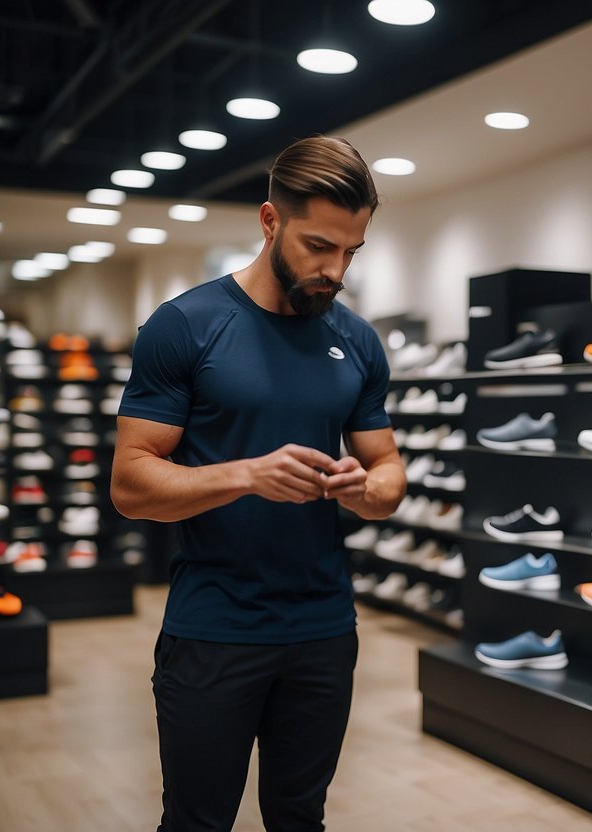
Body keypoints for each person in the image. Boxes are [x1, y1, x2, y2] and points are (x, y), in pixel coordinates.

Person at [110, 135, 405, 832]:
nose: (334, 270)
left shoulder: (357, 340)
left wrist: (365, 489)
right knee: (197, 821)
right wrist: (246, 474)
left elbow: (389, 472)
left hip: (324, 626)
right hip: (215, 626)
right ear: (270, 221)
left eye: (351, 252)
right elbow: (130, 484)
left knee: (300, 818)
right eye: (318, 246)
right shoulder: (184, 326)